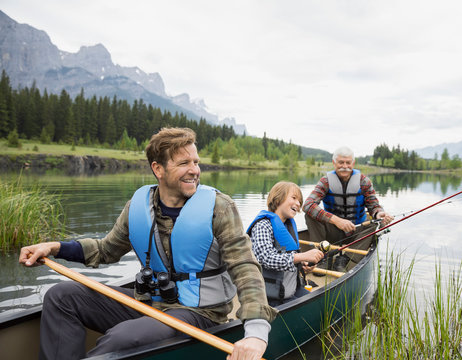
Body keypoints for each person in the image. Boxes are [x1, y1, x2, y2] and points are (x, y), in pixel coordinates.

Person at [19, 127, 277, 360]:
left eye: (196, 162)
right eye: (184, 163)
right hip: (149, 301)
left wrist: (256, 331)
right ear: (158, 169)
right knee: (61, 296)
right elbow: (105, 250)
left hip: (199, 313)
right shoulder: (139, 205)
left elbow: (245, 267)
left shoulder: (219, 207)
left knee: (121, 338)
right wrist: (55, 248)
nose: (195, 170)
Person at [302, 146, 393, 271]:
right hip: (332, 232)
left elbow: (374, 206)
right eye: (340, 162)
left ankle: (346, 258)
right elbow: (307, 205)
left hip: (356, 232)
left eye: (348, 162)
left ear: (353, 163)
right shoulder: (325, 181)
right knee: (309, 214)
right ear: (334, 163)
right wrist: (337, 221)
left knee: (376, 222)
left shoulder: (364, 181)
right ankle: (322, 255)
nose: (344, 166)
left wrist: (379, 214)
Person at [247, 181, 324, 307]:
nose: (298, 204)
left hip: (290, 289)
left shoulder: (287, 226)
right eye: (294, 198)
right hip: (268, 297)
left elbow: (289, 257)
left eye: (299, 201)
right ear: (278, 199)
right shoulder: (263, 225)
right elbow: (266, 258)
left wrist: (302, 264)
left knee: (321, 304)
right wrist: (302, 256)